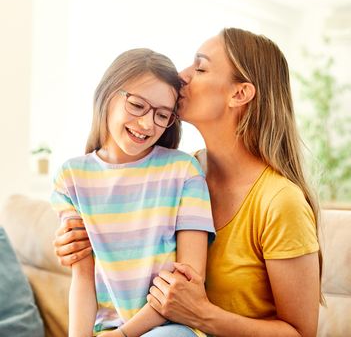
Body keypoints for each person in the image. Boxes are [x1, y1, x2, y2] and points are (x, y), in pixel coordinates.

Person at [53, 28, 322, 337]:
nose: (181, 75)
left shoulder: (279, 201)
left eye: (200, 67)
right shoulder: (183, 172)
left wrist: (203, 315)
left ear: (239, 94)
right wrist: (74, 243)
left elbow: (302, 334)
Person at [51, 48, 215, 337]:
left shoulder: (184, 171)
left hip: (169, 326)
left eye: (162, 115)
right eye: (137, 106)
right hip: (107, 329)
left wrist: (126, 334)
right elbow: (83, 279)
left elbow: (187, 281)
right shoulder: (71, 178)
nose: (147, 124)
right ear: (108, 94)